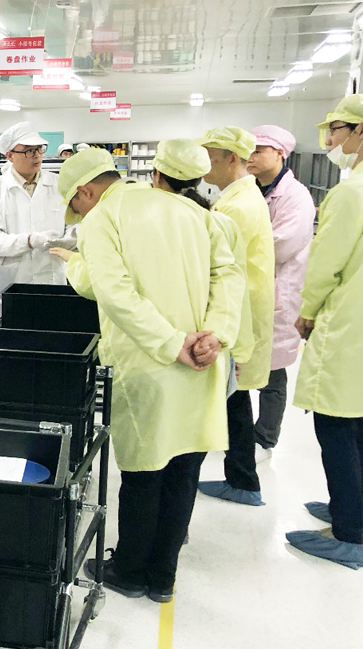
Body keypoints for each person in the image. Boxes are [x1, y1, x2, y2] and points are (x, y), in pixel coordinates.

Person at [49, 146, 245, 602]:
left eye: (75, 204)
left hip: (149, 363)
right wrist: (215, 334)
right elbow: (228, 274)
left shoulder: (103, 219)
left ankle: (131, 571)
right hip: (202, 359)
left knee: (143, 473)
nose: (79, 213)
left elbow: (114, 293)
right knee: (184, 470)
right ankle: (163, 576)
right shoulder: (192, 211)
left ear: (85, 191)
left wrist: (172, 343)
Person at [286, 93, 363, 569]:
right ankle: (357, 508)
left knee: (333, 421)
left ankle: (347, 534)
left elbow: (326, 262)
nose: (330, 140)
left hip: (346, 318)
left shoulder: (354, 191)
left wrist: (308, 309)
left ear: (362, 131)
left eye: (335, 129)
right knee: (355, 414)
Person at [196, 126, 275, 507]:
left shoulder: (236, 207)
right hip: (242, 310)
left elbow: (218, 269)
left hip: (237, 314)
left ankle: (243, 481)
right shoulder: (239, 197)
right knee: (234, 401)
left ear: (231, 158)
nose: (204, 165)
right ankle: (242, 478)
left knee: (232, 399)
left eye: (210, 157)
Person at [247, 126, 315, 461]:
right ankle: (242, 432)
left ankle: (265, 437)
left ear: (279, 154)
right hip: (252, 287)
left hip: (279, 290)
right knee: (244, 365)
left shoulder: (296, 196)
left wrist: (236, 249)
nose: (251, 156)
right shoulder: (252, 189)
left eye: (259, 150)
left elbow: (281, 243)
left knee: (272, 372)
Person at [0, 122, 68, 309]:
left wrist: (73, 237)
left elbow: (75, 223)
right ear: (10, 156)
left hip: (51, 283)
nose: (36, 155)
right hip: (10, 287)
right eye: (28, 151)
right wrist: (29, 241)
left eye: (39, 149)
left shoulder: (59, 185)